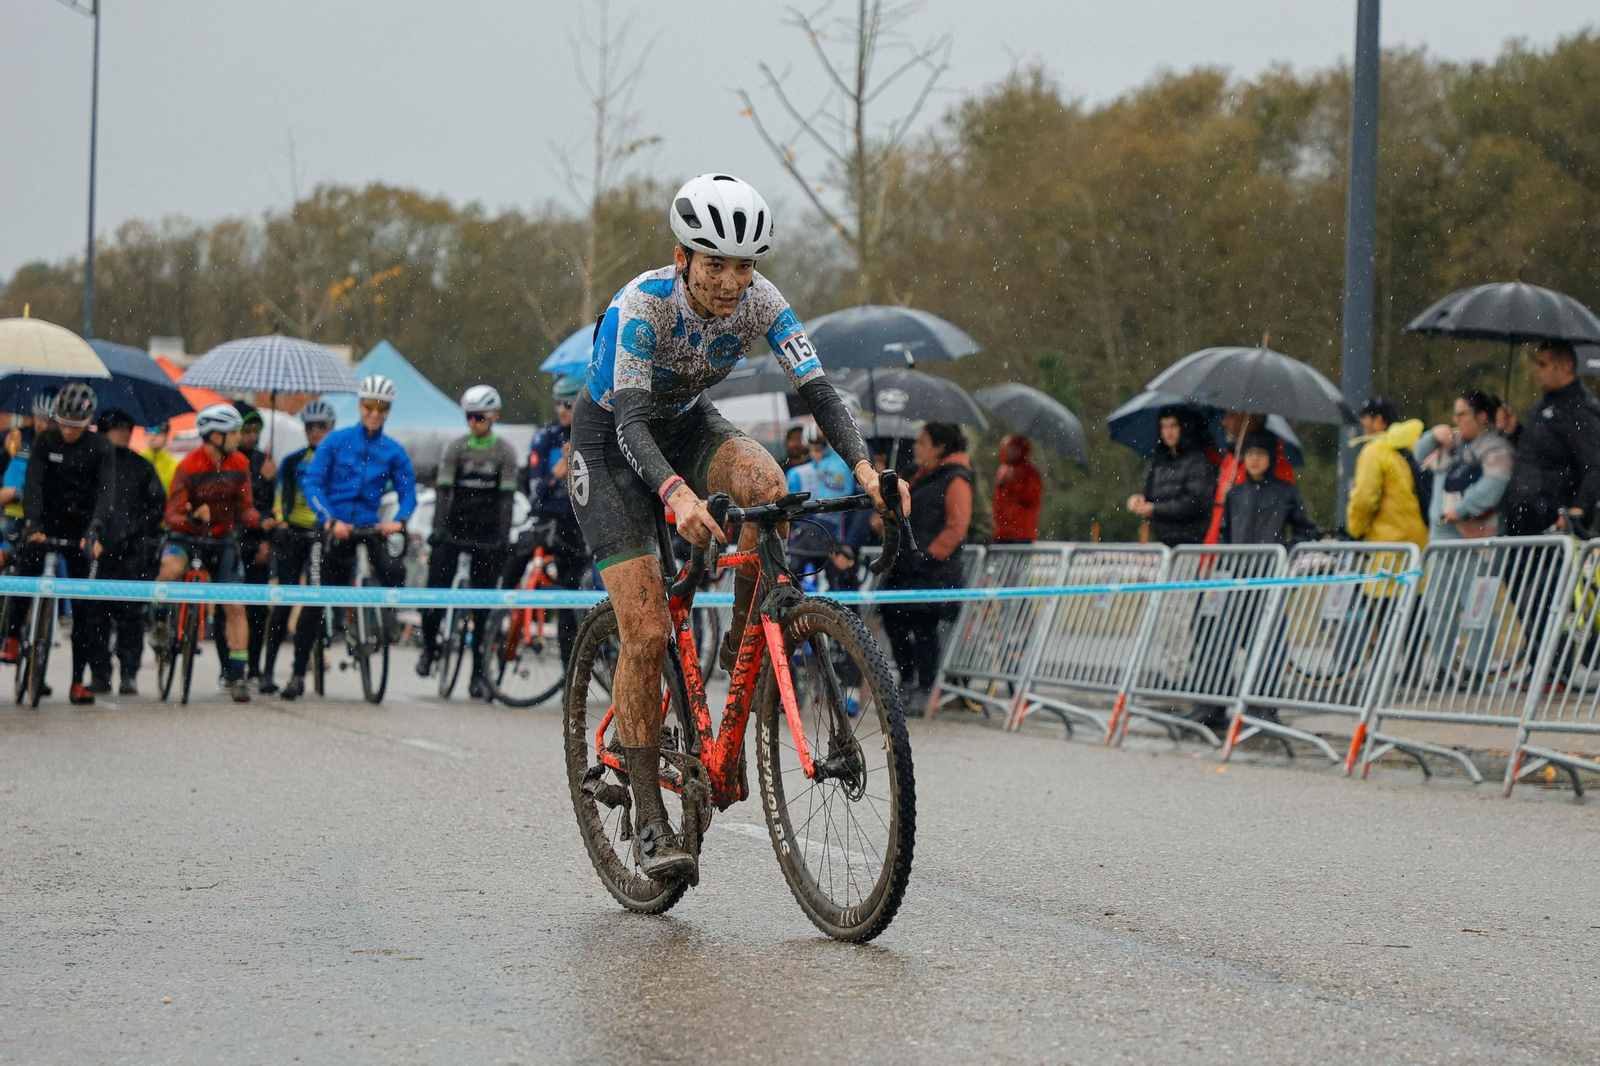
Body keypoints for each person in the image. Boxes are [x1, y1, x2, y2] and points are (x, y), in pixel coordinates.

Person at [570, 173, 902, 881]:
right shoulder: (642, 308)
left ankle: (748, 651)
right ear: (682, 256)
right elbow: (629, 423)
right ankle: (653, 827)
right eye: (713, 263)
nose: (729, 281)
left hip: (687, 425)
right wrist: (677, 496)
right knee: (649, 630)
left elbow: (819, 392)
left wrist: (867, 470)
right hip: (612, 444)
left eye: (743, 264)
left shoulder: (762, 303)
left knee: (769, 487)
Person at [281, 374, 416, 701]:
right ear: (360, 406)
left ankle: (384, 620)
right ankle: (298, 674)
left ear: (388, 410)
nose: (374, 412)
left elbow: (407, 490)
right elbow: (312, 484)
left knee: (395, 569)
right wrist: (329, 519)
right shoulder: (336, 441)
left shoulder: (393, 450)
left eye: (381, 408)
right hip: (333, 527)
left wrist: (398, 520)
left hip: (370, 527)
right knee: (315, 601)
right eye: (369, 406)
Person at [154, 403, 261, 703]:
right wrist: (192, 519)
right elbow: (171, 514)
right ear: (215, 436)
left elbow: (246, 509)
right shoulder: (187, 466)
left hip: (222, 540)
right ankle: (160, 618)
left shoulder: (240, 463)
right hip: (186, 537)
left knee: (235, 606)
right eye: (234, 432)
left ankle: (238, 675)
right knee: (171, 571)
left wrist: (264, 522)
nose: (239, 437)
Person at [417, 385, 519, 696]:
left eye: (479, 416)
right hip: (454, 527)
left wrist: (503, 538)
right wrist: (438, 530)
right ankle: (430, 645)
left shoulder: (505, 452)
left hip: (487, 532)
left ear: (493, 417)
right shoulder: (456, 448)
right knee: (434, 589)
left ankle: (478, 673)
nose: (473, 422)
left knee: (483, 606)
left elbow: (506, 500)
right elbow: (444, 493)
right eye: (469, 416)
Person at [18, 383, 114, 705]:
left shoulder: (101, 447)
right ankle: (14, 636)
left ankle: (77, 681)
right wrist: (33, 523)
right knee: (24, 569)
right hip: (45, 524)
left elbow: (105, 494)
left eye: (75, 426)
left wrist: (94, 530)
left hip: (80, 530)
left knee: (84, 609)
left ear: (87, 422)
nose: (68, 431)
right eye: (63, 423)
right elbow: (33, 484)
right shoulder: (46, 440)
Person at [880, 422, 972, 710]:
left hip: (934, 571)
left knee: (924, 628)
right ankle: (907, 680)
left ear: (939, 447)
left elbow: (957, 526)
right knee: (892, 620)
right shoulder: (912, 475)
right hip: (905, 566)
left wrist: (928, 556)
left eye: (922, 443)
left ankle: (925, 687)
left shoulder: (956, 480)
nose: (915, 447)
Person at [260, 400, 336, 694]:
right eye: (310, 427)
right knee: (284, 602)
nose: (315, 432)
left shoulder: (338, 462)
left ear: (331, 429)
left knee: (313, 603)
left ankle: (298, 674)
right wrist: (279, 523)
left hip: (320, 535)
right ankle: (267, 671)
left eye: (322, 427)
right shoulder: (292, 461)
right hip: (292, 535)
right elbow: (279, 498)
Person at [90, 409, 166, 695]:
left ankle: (129, 673)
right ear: (105, 430)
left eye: (128, 427)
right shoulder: (94, 463)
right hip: (98, 549)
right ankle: (99, 673)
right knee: (95, 613)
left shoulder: (141, 466)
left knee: (131, 614)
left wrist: (138, 527)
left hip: (133, 551)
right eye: (118, 427)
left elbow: (158, 504)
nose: (125, 432)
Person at [516, 373, 588, 669]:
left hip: (576, 525)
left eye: (569, 404)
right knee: (511, 565)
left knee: (570, 596)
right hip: (545, 522)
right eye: (558, 403)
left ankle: (568, 669)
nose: (562, 410)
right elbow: (535, 492)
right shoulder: (545, 438)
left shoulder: (590, 438)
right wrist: (556, 474)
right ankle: (500, 636)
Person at [1500, 342, 1600, 537]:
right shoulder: (1542, 405)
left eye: (1542, 364)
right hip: (1524, 519)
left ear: (1564, 367)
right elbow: (1539, 453)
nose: (1536, 370)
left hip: (1554, 522)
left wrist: (1579, 509)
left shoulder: (1580, 407)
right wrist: (1514, 432)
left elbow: (1595, 464)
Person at [227, 402, 280, 686]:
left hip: (256, 541)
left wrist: (266, 541)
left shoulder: (264, 461)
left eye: (255, 430)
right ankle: (231, 667)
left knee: (258, 610)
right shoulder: (229, 459)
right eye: (245, 430)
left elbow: (268, 508)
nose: (250, 435)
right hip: (231, 539)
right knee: (232, 607)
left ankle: (256, 667)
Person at [1415, 390, 1513, 540]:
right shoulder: (1450, 439)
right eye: (1455, 415)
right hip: (1440, 537)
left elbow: (1493, 484)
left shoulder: (1497, 448)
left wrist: (1462, 509)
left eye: (1461, 414)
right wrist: (1432, 436)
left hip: (1477, 544)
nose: (1455, 420)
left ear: (1481, 417)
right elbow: (1419, 455)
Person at [1346, 396, 1428, 547]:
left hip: (1388, 547)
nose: (1362, 424)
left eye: (1365, 418)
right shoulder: (1406, 448)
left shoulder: (1374, 452)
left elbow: (1364, 499)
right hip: (1417, 543)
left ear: (1378, 421)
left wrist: (1355, 530)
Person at [1203, 411, 1296, 544]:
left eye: (1232, 415)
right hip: (1226, 555)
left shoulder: (1278, 464)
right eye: (1251, 454)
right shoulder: (1230, 458)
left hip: (1260, 555)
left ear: (1249, 420)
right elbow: (1224, 528)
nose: (1224, 422)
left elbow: (1281, 512)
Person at [1127, 407, 1213, 547]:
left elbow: (1196, 502)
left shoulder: (1197, 461)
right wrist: (1139, 500)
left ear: (1184, 428)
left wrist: (1156, 509)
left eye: (1173, 425)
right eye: (1164, 426)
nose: (1168, 432)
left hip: (1190, 542)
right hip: (1162, 540)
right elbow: (1151, 495)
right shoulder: (1158, 463)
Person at [1219, 431, 1320, 545]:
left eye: (1260, 453)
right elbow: (1224, 533)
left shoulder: (1285, 491)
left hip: (1274, 561)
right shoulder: (1234, 494)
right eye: (1249, 453)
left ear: (1270, 457)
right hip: (1240, 561)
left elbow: (1305, 530)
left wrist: (1287, 550)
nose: (1254, 458)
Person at [784, 421, 855, 578]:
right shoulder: (798, 473)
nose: (817, 454)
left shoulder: (837, 465)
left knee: (838, 577)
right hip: (810, 530)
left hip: (830, 534)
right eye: (812, 449)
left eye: (820, 448)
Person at [992, 433, 1043, 544]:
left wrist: (1013, 483)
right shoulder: (1003, 470)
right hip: (1002, 533)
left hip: (1020, 534)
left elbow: (1031, 498)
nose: (1008, 451)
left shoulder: (1029, 472)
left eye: (1012, 448)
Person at [140, 420, 179, 493]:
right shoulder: (137, 461)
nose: (152, 436)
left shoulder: (173, 465)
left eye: (157, 431)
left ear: (166, 435)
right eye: (149, 430)